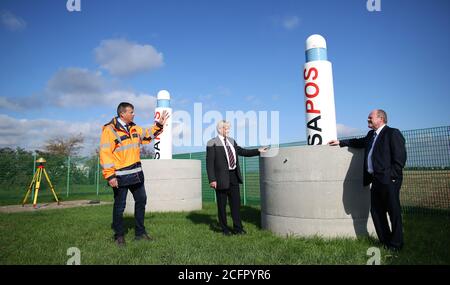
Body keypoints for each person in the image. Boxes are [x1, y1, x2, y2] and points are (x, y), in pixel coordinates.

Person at [328, 109, 406, 251]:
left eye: (370, 118)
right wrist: (341, 142)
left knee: (393, 212)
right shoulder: (371, 135)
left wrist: (392, 177)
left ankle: (396, 244)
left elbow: (400, 158)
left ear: (381, 119)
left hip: (389, 181)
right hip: (375, 180)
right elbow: (359, 142)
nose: (368, 120)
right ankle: (385, 242)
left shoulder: (392, 133)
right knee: (376, 212)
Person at [100, 102, 169, 246]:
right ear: (122, 114)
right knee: (120, 206)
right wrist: (110, 176)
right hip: (119, 176)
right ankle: (119, 235)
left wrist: (159, 125)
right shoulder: (109, 130)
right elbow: (105, 154)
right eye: (131, 112)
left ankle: (140, 233)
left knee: (141, 201)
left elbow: (148, 134)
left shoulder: (134, 128)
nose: (134, 114)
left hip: (137, 174)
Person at [206, 120, 268, 236]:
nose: (228, 130)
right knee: (222, 205)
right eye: (226, 128)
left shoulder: (231, 141)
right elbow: (209, 163)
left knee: (235, 204)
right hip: (220, 178)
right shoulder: (212, 143)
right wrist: (212, 179)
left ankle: (238, 228)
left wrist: (257, 151)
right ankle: (225, 229)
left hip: (234, 176)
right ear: (220, 129)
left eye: (229, 128)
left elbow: (242, 151)